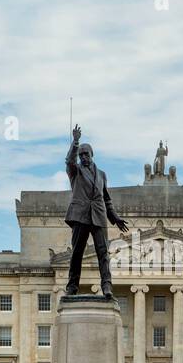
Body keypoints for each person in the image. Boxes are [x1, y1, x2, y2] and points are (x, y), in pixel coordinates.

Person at [64, 125, 129, 299]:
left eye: (86, 154)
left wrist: (115, 218)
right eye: (81, 155)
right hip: (80, 216)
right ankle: (72, 287)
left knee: (103, 253)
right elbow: (69, 161)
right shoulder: (75, 171)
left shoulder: (102, 174)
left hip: (99, 216)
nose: (83, 157)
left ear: (92, 155)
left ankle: (107, 286)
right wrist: (75, 142)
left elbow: (106, 198)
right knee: (77, 252)